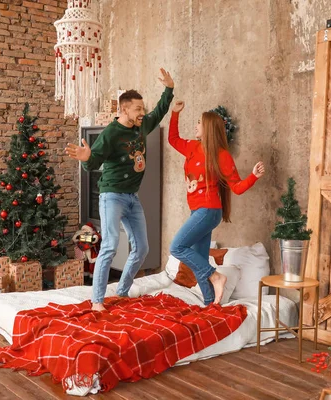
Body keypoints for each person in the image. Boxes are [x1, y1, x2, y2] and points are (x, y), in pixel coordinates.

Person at [65, 68, 175, 311]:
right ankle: (97, 301)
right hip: (112, 195)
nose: (142, 113)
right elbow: (93, 165)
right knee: (111, 244)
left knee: (142, 248)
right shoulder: (111, 133)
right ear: (124, 109)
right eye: (138, 109)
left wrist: (169, 89)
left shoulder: (141, 126)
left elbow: (159, 112)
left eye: (142, 109)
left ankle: (123, 291)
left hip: (132, 198)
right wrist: (86, 157)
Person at [168, 101, 265, 305]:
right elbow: (173, 139)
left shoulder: (221, 156)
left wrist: (253, 176)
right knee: (199, 258)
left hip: (209, 210)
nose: (195, 126)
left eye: (198, 123)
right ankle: (210, 303)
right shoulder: (192, 147)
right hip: (197, 211)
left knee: (177, 247)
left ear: (208, 128)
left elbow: (236, 187)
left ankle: (215, 276)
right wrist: (175, 114)